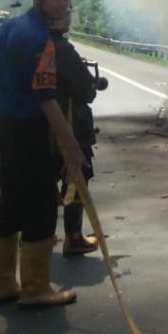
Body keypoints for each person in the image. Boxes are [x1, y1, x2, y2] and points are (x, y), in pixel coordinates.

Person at [0, 0, 87, 309]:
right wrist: (72, 148)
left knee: (10, 207)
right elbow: (47, 101)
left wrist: (11, 91)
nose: (65, 4)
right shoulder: (40, 40)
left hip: (8, 131)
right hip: (31, 134)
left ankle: (3, 285)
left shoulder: (9, 28)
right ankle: (36, 290)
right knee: (39, 209)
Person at [49, 16, 104, 256]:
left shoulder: (26, 41)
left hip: (36, 128)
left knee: (41, 184)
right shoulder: (60, 47)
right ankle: (73, 238)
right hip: (69, 126)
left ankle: (38, 238)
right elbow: (86, 90)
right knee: (78, 178)